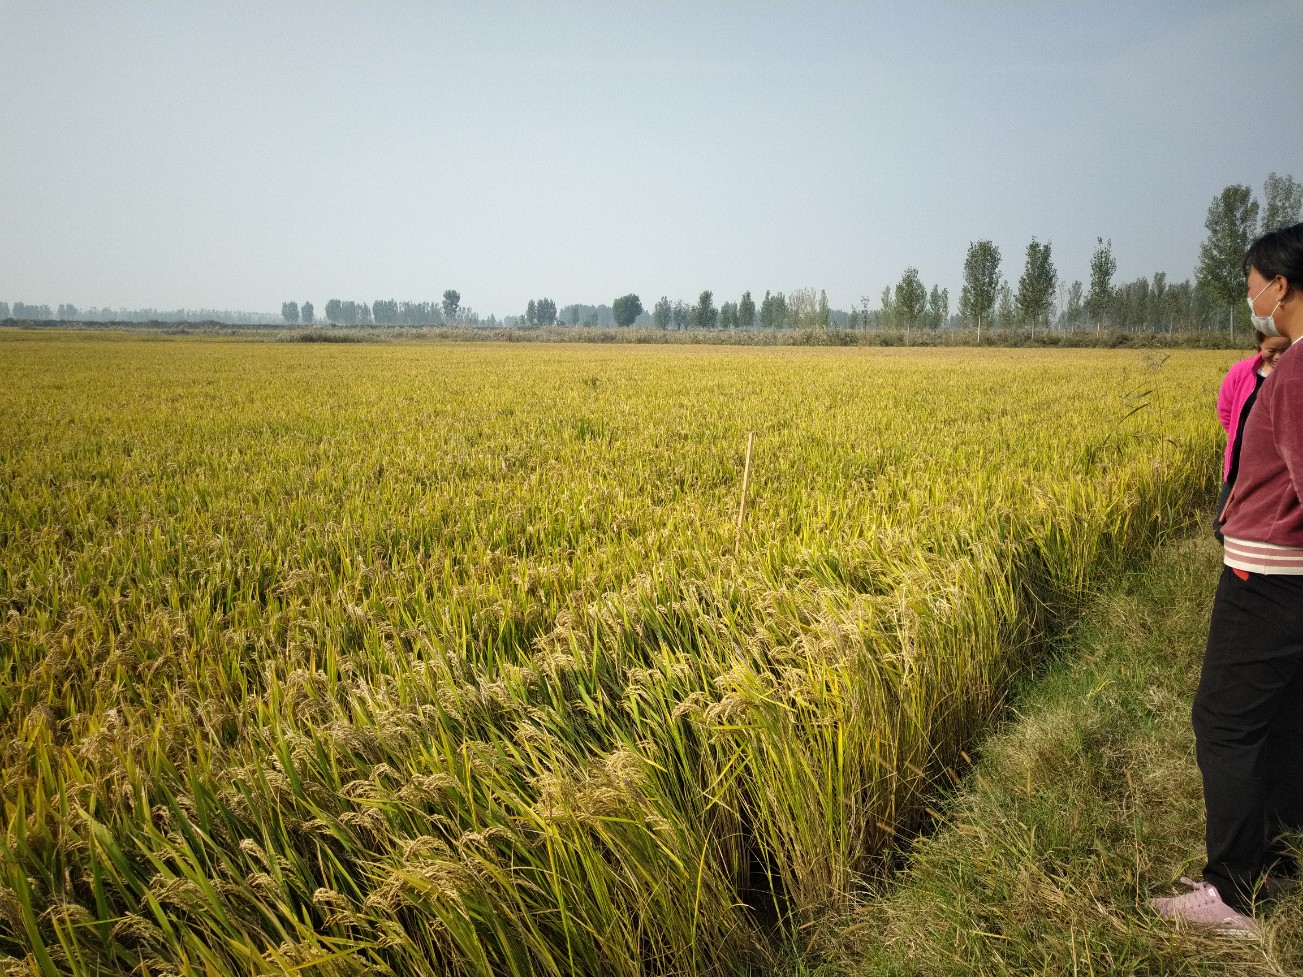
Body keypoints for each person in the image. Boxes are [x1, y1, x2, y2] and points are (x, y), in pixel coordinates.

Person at [1152, 221, 1303, 935]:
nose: (1250, 301)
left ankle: (1232, 892)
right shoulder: (1295, 363)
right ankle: (1267, 857)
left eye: (1251, 287)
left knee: (1223, 721)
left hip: (1268, 577)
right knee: (1275, 720)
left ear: (1281, 285)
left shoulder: (1301, 370)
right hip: (1281, 574)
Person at [1213, 331, 1290, 542]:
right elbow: (1226, 411)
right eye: (1272, 351)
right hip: (1241, 462)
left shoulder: (1295, 375)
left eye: (1285, 351)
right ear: (1259, 345)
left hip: (1282, 466)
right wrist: (1247, 441)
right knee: (1222, 528)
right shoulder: (1241, 371)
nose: (1278, 357)